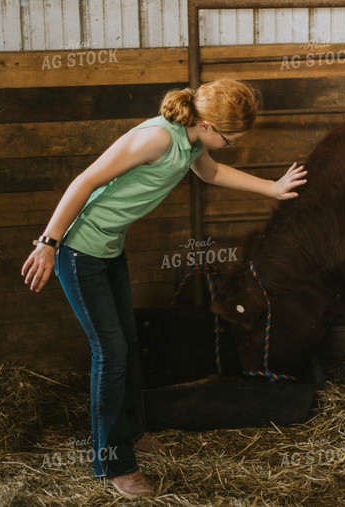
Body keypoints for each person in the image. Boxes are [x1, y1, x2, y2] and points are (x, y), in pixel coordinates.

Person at [21, 78, 306, 497]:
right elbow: (83, 182)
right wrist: (49, 243)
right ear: (207, 125)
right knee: (111, 352)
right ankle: (114, 463)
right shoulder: (156, 138)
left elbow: (211, 172)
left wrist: (272, 188)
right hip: (78, 251)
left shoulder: (192, 143)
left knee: (128, 343)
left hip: (108, 250)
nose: (230, 146)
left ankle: (132, 432)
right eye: (230, 140)